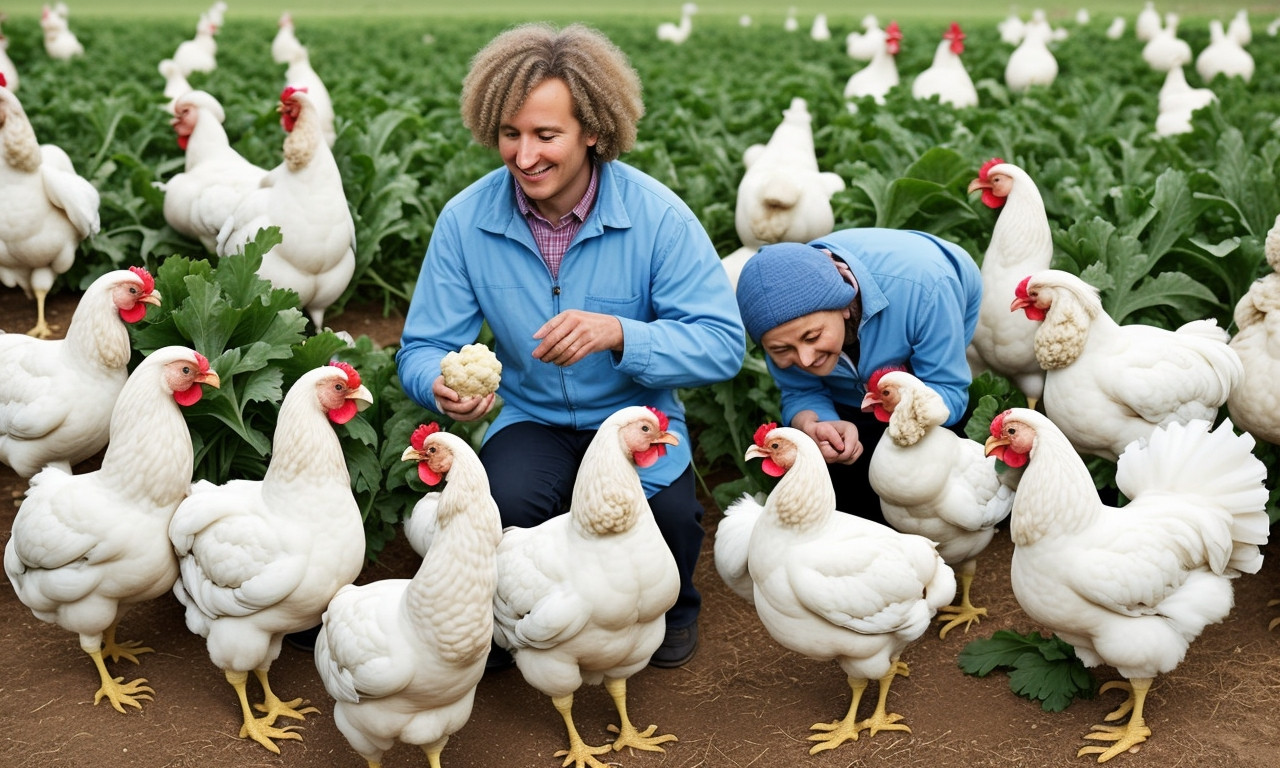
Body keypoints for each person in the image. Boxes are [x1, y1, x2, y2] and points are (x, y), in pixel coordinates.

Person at [396, 23, 745, 669]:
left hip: (632, 416)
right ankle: (506, 622)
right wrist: (436, 384)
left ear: (592, 130)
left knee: (666, 522)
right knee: (497, 513)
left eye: (545, 135)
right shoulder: (467, 221)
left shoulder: (658, 217)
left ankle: (674, 610)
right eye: (510, 133)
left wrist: (620, 334)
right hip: (530, 414)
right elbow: (422, 345)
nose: (524, 155)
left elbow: (721, 345)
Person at [734, 230, 981, 524]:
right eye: (781, 349)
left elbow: (948, 392)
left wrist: (899, 418)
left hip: (926, 368)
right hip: (861, 395)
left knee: (938, 498)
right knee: (849, 511)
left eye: (812, 336)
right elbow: (800, 392)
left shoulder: (925, 287)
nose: (805, 359)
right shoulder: (773, 321)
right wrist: (815, 424)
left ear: (843, 306)